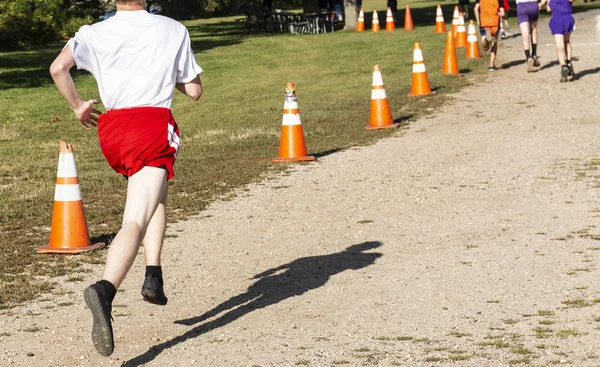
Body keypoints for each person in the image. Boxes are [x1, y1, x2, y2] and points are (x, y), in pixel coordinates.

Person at [49, 0, 202, 357]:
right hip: (150, 125)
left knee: (153, 193)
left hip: (112, 129)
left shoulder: (94, 32)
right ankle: (105, 289)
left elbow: (58, 68)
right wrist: (170, 74)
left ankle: (153, 274)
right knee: (135, 217)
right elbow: (194, 90)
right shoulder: (173, 29)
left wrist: (77, 107)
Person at [540, 0, 575, 81]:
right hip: (568, 17)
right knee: (567, 41)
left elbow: (548, 9)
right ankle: (569, 62)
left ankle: (563, 66)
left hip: (557, 19)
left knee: (559, 46)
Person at [475, 0, 506, 71]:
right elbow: (502, 12)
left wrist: (478, 21)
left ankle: (484, 40)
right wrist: (502, 15)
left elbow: (476, 8)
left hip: (483, 21)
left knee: (483, 37)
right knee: (494, 42)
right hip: (494, 21)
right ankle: (491, 65)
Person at [516, 0, 541, 72]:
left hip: (521, 5)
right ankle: (534, 53)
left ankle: (528, 57)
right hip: (533, 4)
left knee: (525, 33)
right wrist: (541, 3)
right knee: (534, 29)